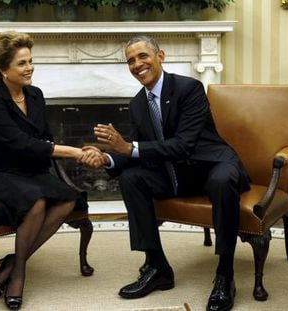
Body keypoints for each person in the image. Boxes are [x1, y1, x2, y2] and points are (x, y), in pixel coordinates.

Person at [91, 35, 250, 311]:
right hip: (178, 173)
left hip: (211, 163)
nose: (137, 64)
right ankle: (157, 266)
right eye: (130, 60)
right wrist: (106, 157)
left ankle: (225, 274)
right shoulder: (137, 104)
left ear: (160, 56)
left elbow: (184, 145)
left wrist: (129, 148)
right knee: (132, 178)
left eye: (143, 56)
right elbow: (134, 150)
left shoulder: (189, 88)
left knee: (222, 181)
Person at [0, 31, 102, 310]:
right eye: (22, 63)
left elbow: (43, 138)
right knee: (36, 201)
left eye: (31, 61)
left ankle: (14, 260)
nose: (30, 68)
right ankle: (18, 275)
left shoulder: (35, 95)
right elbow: (22, 144)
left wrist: (71, 149)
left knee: (68, 198)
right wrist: (76, 152)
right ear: (2, 69)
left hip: (28, 171)